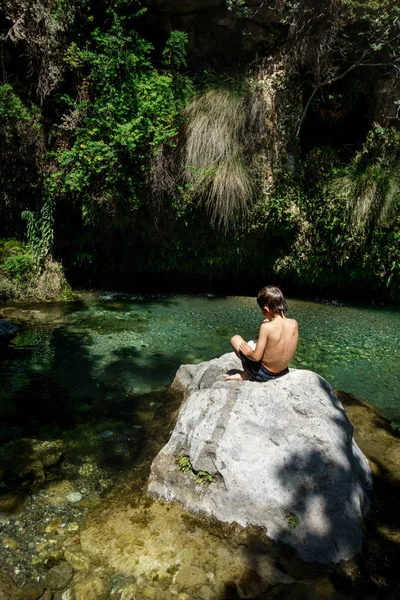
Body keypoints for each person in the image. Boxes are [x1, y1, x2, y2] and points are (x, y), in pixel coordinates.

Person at [225, 285, 298, 382]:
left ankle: (247, 374)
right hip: (283, 371)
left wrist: (248, 352)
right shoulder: (294, 323)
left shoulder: (266, 327)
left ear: (266, 310)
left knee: (235, 339)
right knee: (257, 341)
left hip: (264, 374)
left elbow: (256, 357)